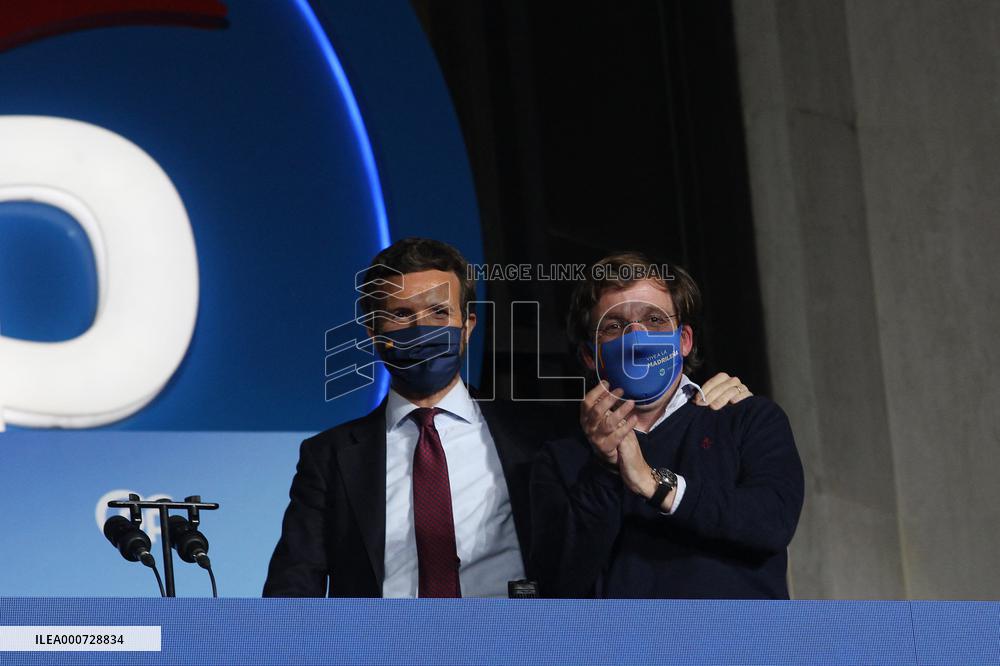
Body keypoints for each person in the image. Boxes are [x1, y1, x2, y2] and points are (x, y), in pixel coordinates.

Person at [264, 238, 752, 597]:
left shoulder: (543, 434)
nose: (422, 329)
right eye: (401, 315)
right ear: (372, 332)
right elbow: (293, 586)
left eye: (439, 313)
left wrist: (701, 396)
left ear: (468, 325)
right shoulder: (328, 458)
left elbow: (639, 435)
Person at [530, 252, 804, 599]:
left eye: (655, 320)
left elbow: (771, 523)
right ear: (590, 355)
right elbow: (556, 584)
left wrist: (655, 485)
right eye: (614, 326)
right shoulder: (560, 458)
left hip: (740, 648)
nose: (638, 339)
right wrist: (603, 469)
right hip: (623, 651)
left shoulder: (747, 419)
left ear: (684, 340)